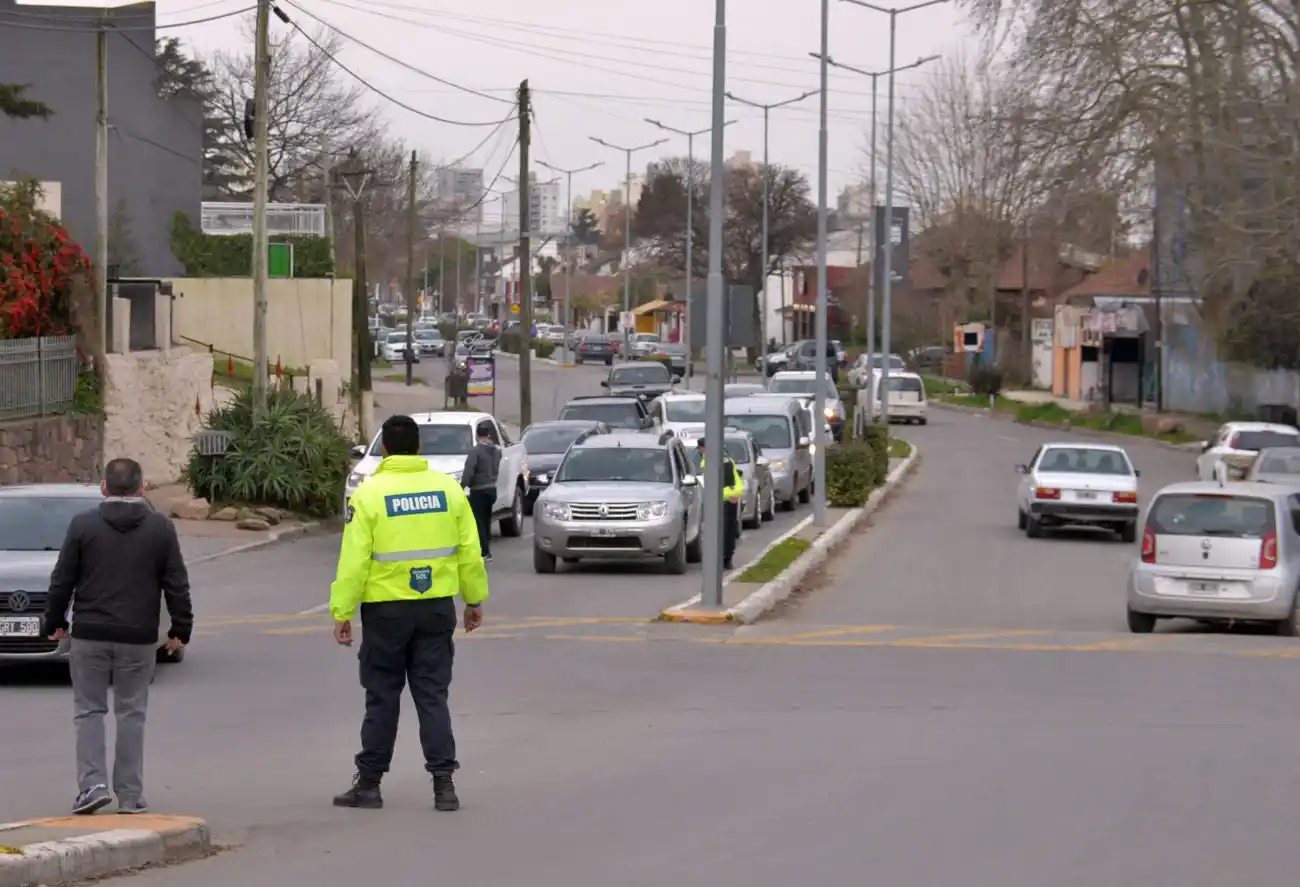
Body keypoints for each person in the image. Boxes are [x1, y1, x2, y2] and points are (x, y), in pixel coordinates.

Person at [330, 414, 489, 812]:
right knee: (432, 695)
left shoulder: (369, 494)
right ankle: (444, 785)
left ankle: (369, 785)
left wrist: (342, 611)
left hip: (386, 612)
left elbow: (354, 560)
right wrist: (473, 600)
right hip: (436, 609)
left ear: (384, 448)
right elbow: (470, 551)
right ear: (418, 447)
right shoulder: (448, 490)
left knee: (382, 697)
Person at [42, 457, 192, 816]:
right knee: (131, 712)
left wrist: (55, 622)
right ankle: (129, 795)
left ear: (104, 488)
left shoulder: (83, 525)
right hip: (138, 637)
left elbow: (63, 579)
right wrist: (180, 629)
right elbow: (176, 582)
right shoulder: (160, 528)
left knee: (88, 710)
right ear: (142, 488)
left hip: (90, 633)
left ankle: (92, 787)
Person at [696, 438, 744, 570]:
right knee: (728, 530)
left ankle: (723, 559)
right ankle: (725, 558)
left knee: (721, 531)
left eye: (700, 448)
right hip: (730, 498)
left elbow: (722, 483)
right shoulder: (725, 459)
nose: (700, 451)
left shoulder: (713, 461)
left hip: (722, 500)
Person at [461, 421, 501, 562]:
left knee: (479, 522)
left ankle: (484, 552)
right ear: (488, 435)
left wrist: (463, 485)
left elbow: (469, 472)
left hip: (479, 490)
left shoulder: (475, 451)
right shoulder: (496, 451)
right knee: (487, 520)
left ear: (477, 435)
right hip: (492, 489)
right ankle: (487, 550)